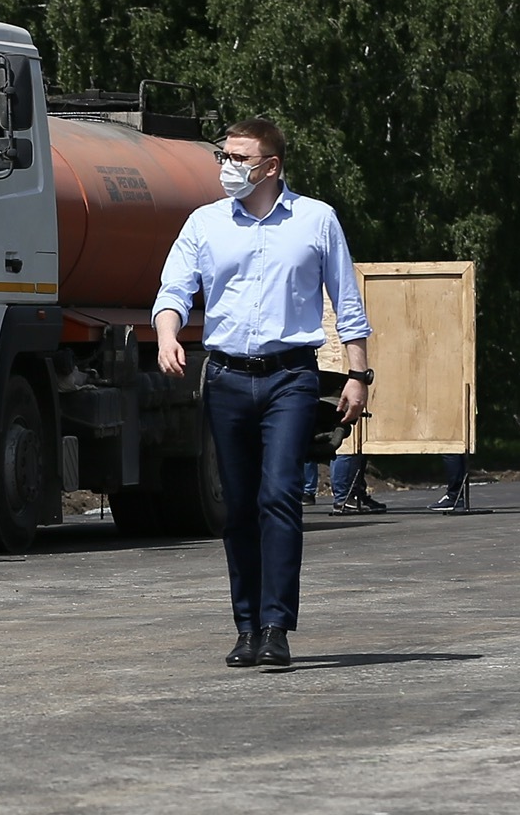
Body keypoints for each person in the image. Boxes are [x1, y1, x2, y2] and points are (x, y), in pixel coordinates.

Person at [155, 117, 370, 671]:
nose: (228, 166)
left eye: (239, 157)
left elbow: (347, 302)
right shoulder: (205, 223)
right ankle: (246, 627)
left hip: (290, 378)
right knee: (240, 506)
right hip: (226, 377)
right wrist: (166, 334)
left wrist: (357, 374)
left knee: (279, 495)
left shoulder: (316, 220)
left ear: (270, 166)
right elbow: (174, 286)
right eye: (223, 155)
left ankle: (276, 626)